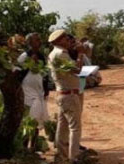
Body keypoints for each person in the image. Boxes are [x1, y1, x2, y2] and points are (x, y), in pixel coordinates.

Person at [48, 29, 84, 163]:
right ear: (58, 41)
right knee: (75, 128)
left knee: (62, 127)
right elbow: (78, 71)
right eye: (66, 39)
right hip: (69, 94)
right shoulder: (61, 54)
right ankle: (74, 158)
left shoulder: (56, 53)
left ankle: (61, 156)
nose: (69, 41)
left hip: (63, 94)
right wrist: (80, 53)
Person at [17, 33, 50, 151]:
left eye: (40, 39)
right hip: (27, 93)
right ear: (29, 42)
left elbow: (45, 74)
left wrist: (46, 89)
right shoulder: (24, 56)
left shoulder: (41, 56)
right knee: (28, 121)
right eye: (37, 40)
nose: (40, 42)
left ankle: (34, 148)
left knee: (37, 120)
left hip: (39, 92)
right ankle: (24, 148)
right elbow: (16, 74)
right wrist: (29, 64)